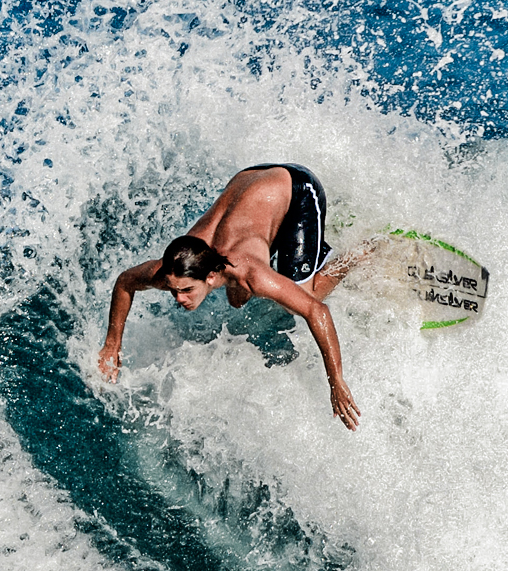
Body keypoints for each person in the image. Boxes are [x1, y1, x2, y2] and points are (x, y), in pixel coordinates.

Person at [97, 163, 363, 430]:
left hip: (296, 187)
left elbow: (317, 311)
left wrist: (336, 380)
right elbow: (125, 281)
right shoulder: (172, 270)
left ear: (211, 277)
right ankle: (293, 240)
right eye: (174, 290)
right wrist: (112, 344)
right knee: (237, 299)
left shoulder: (250, 273)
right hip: (251, 180)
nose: (178, 298)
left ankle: (363, 250)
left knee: (303, 296)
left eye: (187, 290)